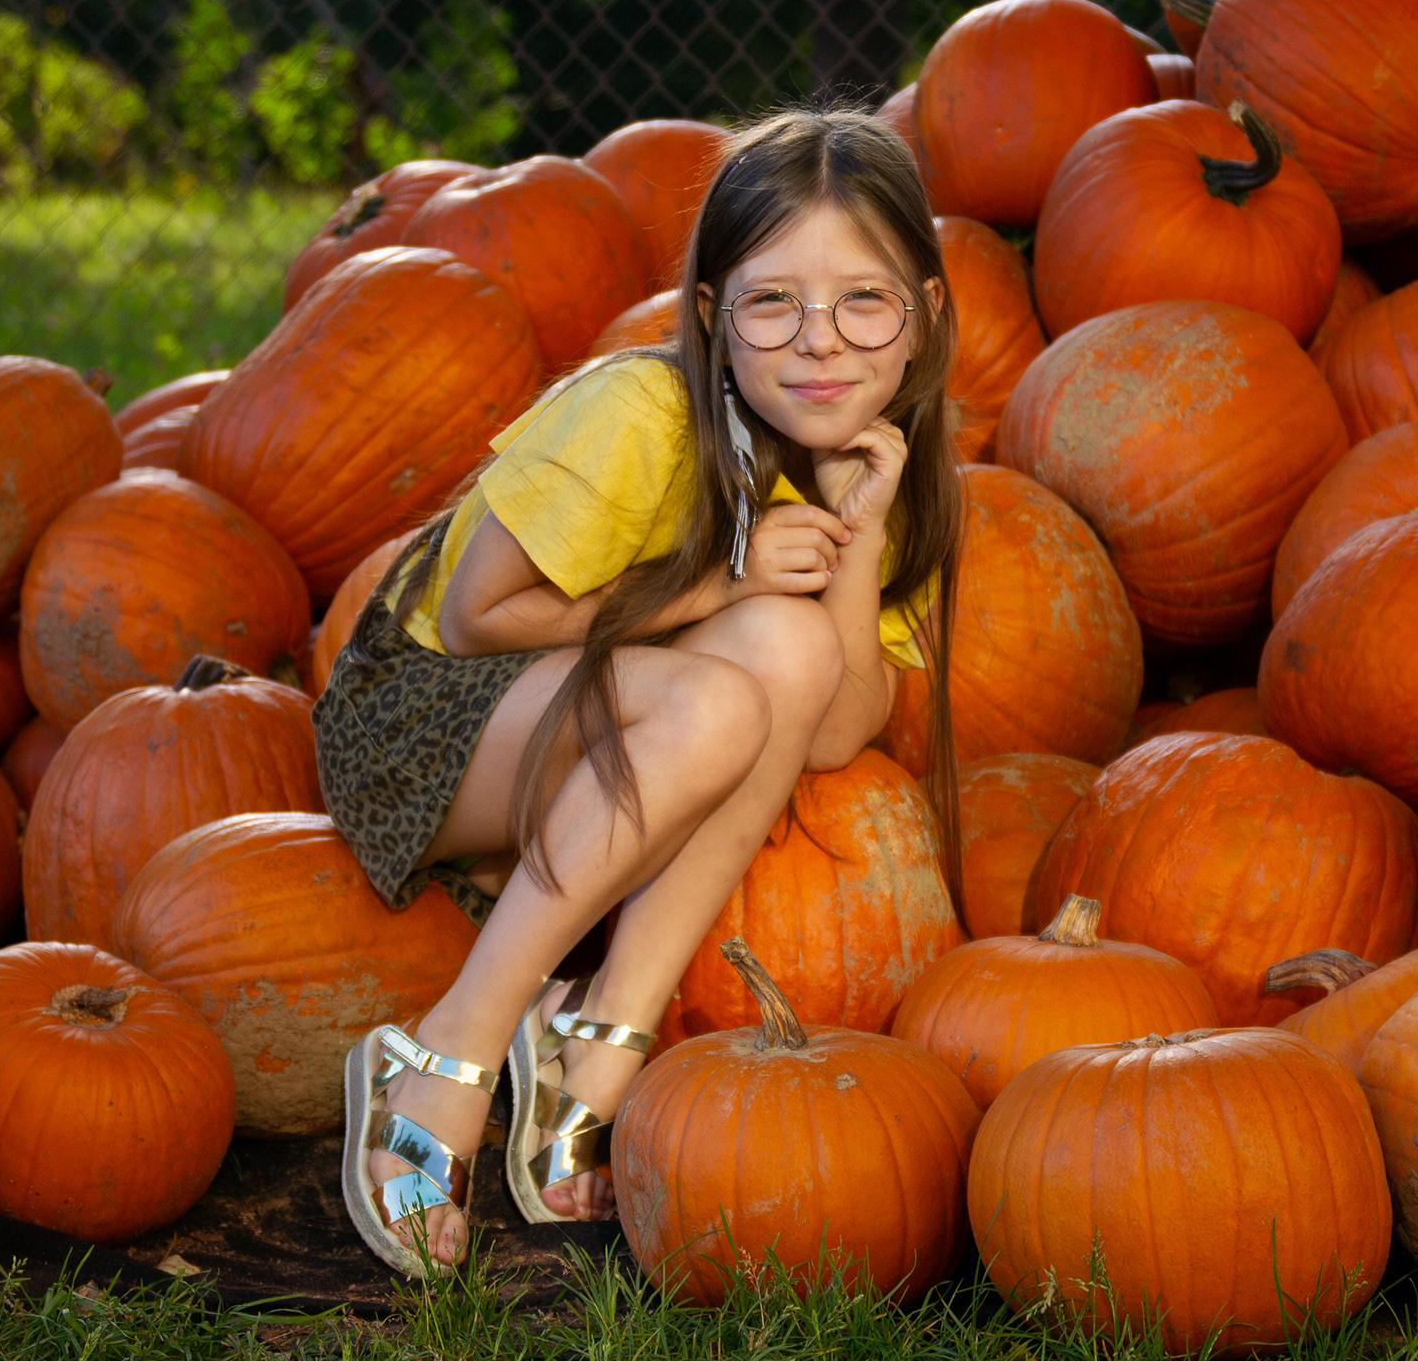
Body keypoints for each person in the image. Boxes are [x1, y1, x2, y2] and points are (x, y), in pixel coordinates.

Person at [315, 107, 961, 1275]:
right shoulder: (643, 411)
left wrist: (857, 540)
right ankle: (448, 1042)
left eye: (864, 302)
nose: (821, 343)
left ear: (922, 315)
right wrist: (719, 582)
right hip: (430, 717)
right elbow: (478, 617)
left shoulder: (877, 461)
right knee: (723, 691)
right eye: (774, 303)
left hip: (609, 713)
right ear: (714, 316)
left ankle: (593, 1041)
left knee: (793, 655)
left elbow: (834, 730)